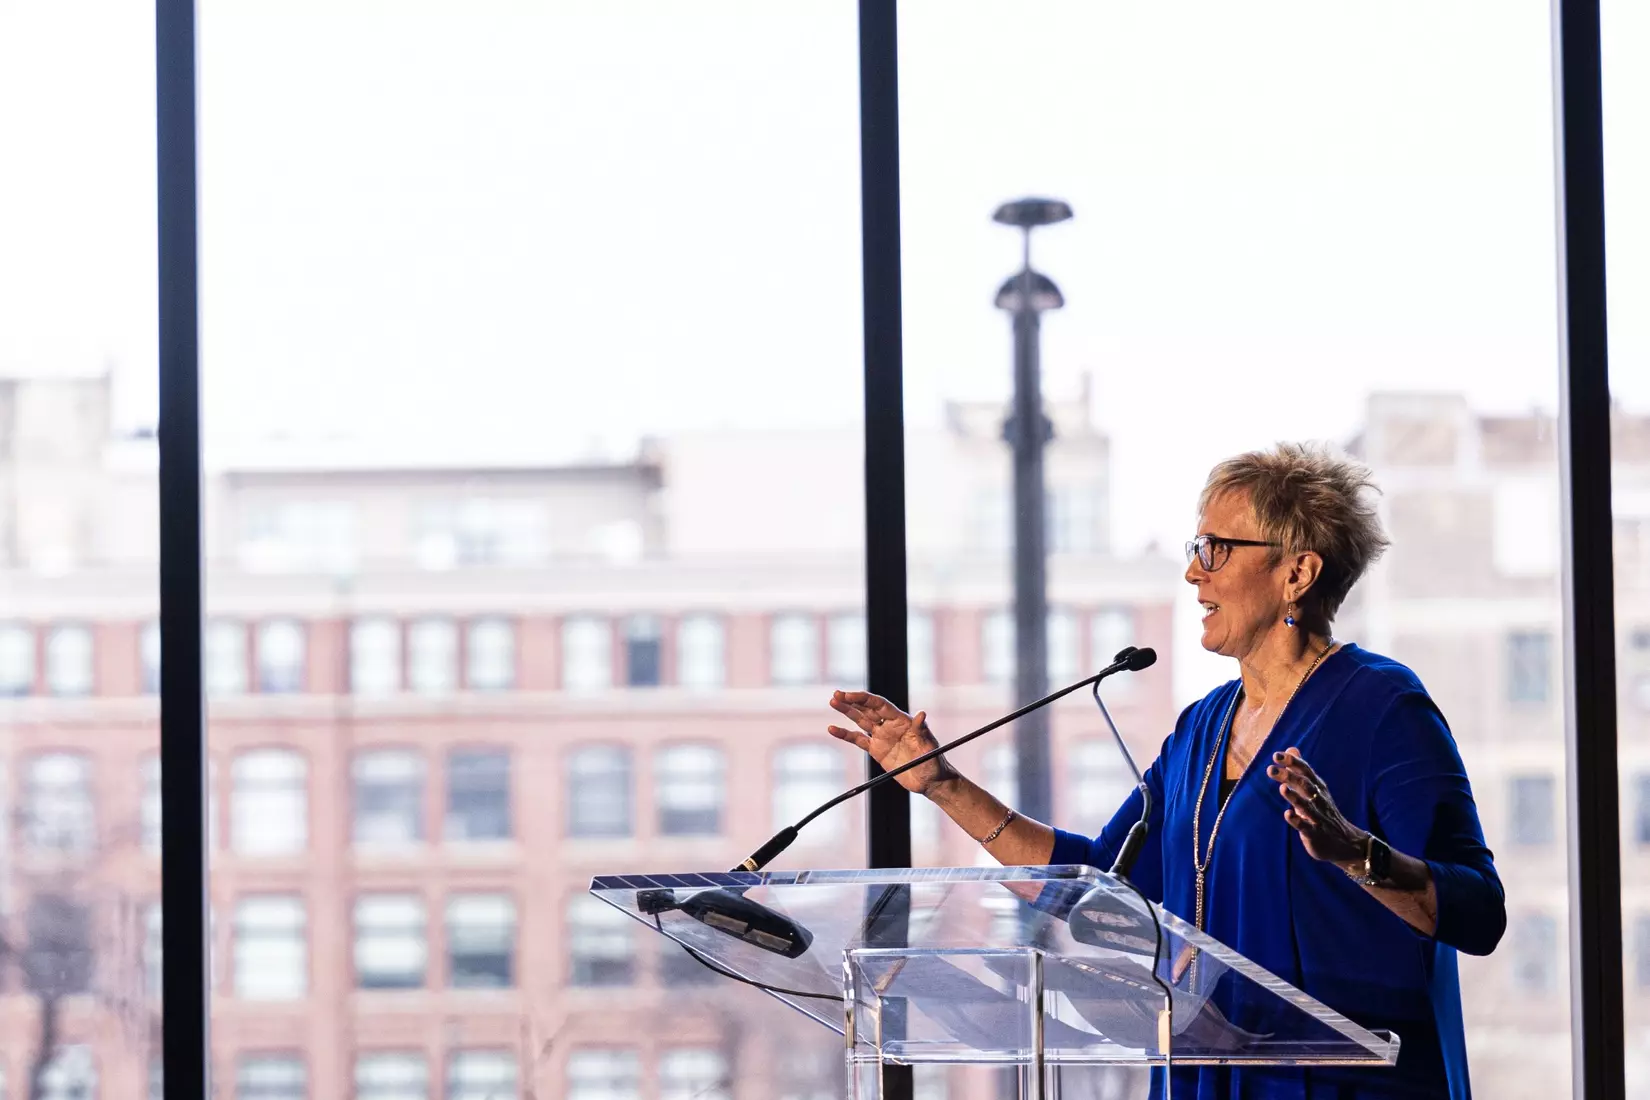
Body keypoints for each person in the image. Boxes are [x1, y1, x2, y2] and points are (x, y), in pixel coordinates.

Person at [827, 443, 1504, 1100]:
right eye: (1195, 548)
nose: (1193, 573)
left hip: (1345, 1083)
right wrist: (944, 786)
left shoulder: (1384, 708)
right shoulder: (1200, 731)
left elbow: (1478, 911)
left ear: (1297, 573)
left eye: (1217, 549)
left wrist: (1358, 855)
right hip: (1204, 1074)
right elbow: (1096, 884)